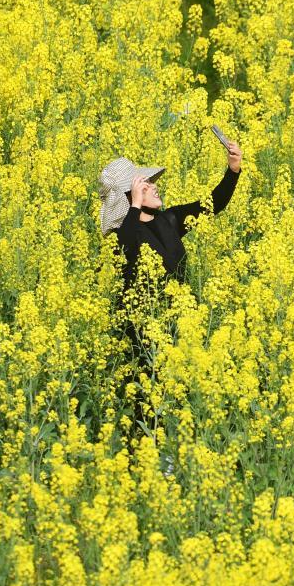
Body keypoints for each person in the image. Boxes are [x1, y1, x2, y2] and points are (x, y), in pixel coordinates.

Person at [97, 141, 243, 450]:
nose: (154, 186)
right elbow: (130, 247)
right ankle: (149, 469)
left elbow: (211, 204)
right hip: (140, 336)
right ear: (130, 196)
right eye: (145, 184)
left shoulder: (170, 220)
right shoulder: (124, 236)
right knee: (147, 409)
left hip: (177, 328)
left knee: (178, 406)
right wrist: (134, 206)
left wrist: (232, 170)